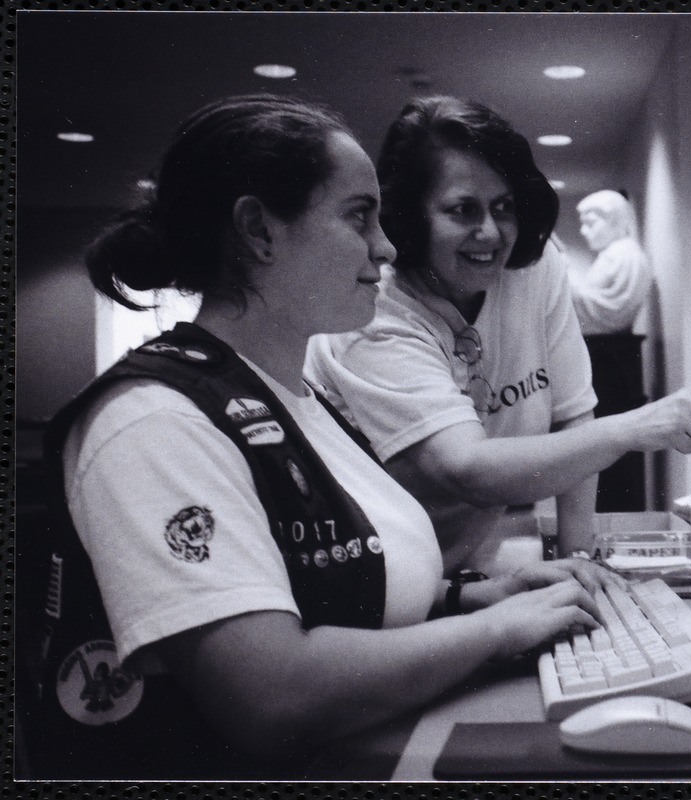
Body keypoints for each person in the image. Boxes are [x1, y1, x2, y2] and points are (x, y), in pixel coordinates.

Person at [27, 94, 618, 781]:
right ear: (259, 231)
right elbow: (269, 695)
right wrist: (491, 632)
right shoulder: (156, 421)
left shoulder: (293, 398)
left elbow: (334, 590)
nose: (387, 246)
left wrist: (474, 598)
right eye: (358, 217)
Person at [304, 96, 691, 573]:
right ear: (411, 218)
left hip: (453, 568)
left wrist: (578, 563)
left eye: (503, 207)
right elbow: (468, 469)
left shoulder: (534, 269)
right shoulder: (372, 316)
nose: (492, 233)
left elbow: (573, 416)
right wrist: (637, 427)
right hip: (376, 581)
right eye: (463, 210)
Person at [568, 189, 653, 335]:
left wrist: (569, 282)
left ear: (615, 222)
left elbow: (615, 312)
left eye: (590, 223)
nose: (583, 230)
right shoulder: (613, 254)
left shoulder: (628, 257)